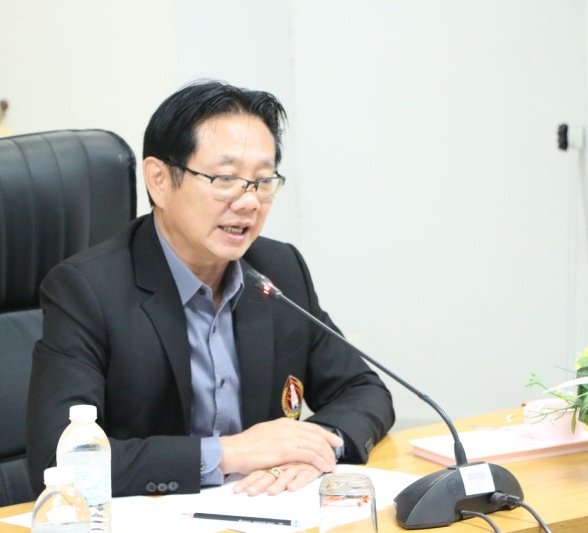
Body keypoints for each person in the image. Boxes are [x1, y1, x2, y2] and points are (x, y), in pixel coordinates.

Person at [26, 80, 394, 498]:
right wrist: (229, 453)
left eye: (263, 181)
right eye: (226, 178)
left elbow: (364, 391)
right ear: (159, 180)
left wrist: (311, 450)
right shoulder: (87, 290)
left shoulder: (278, 270)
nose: (249, 202)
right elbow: (60, 459)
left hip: (263, 509)